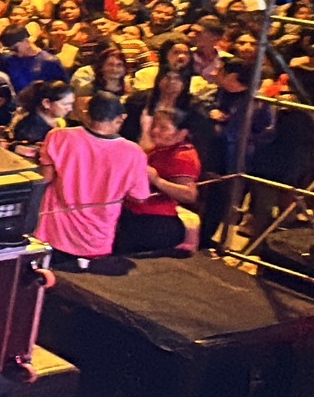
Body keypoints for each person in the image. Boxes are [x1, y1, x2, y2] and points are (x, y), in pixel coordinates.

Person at [36, 92, 154, 266]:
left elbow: (44, 179)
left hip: (53, 232)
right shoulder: (134, 153)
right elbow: (139, 197)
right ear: (121, 118)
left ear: (86, 114)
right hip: (95, 239)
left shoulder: (58, 136)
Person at [118, 107, 199, 255]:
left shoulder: (183, 156)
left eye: (163, 128)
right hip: (136, 213)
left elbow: (189, 195)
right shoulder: (159, 149)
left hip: (155, 221)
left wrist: (157, 180)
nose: (155, 131)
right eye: (154, 125)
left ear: (182, 133)